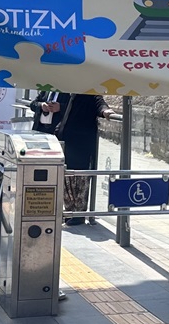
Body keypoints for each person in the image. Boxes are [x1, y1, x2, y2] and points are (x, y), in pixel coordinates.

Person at [33, 92, 112, 225]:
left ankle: (79, 214)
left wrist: (106, 111)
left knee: (81, 179)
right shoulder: (68, 91)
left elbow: (99, 103)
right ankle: (69, 211)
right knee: (66, 177)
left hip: (83, 142)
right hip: (66, 138)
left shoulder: (88, 92)